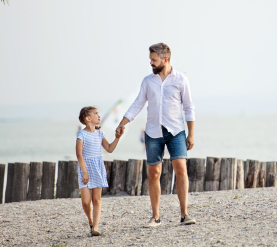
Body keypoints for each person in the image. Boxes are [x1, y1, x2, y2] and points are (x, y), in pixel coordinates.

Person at [116, 43, 196, 227]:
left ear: (165, 59)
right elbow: (138, 104)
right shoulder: (147, 81)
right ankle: (156, 217)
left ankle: (184, 215)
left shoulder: (181, 79)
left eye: (154, 60)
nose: (151, 63)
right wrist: (123, 123)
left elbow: (189, 107)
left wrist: (191, 134)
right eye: (150, 59)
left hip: (176, 131)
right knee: (154, 173)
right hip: (152, 132)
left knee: (181, 170)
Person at [77, 106, 123, 236]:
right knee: (86, 201)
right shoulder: (81, 135)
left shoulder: (100, 133)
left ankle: (95, 227)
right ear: (88, 118)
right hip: (85, 168)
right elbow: (79, 155)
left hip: (97, 168)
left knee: (96, 199)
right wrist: (85, 172)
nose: (98, 116)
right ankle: (91, 221)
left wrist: (117, 137)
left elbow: (109, 148)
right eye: (96, 114)